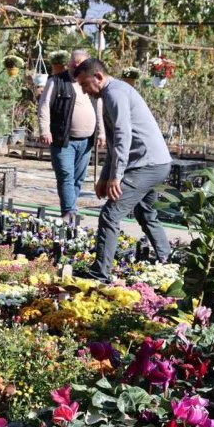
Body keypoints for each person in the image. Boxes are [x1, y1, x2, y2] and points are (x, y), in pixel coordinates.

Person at [73, 58, 173, 283]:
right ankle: (167, 261)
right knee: (145, 213)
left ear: (98, 77)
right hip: (157, 162)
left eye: (85, 85)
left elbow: (122, 136)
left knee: (110, 214)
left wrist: (116, 177)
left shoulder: (113, 93)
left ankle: (100, 274)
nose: (85, 92)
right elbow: (112, 143)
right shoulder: (114, 91)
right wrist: (103, 178)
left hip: (147, 164)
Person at [37, 49, 106, 225]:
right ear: (68, 63)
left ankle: (70, 211)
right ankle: (69, 212)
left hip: (86, 141)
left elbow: (99, 108)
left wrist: (101, 132)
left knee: (78, 178)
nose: (75, 69)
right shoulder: (57, 81)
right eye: (73, 65)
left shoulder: (90, 82)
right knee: (66, 176)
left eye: (79, 65)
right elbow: (44, 105)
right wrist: (45, 130)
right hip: (63, 139)